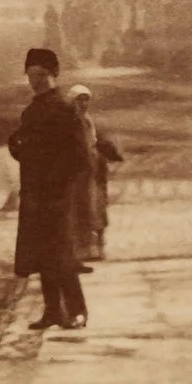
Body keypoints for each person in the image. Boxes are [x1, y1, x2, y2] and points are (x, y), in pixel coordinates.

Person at [9, 47, 91, 331]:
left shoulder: (65, 108)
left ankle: (78, 311)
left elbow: (79, 155)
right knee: (43, 256)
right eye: (32, 76)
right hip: (34, 193)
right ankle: (53, 311)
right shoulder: (31, 110)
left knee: (62, 254)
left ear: (55, 75)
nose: (37, 81)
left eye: (42, 75)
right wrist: (16, 146)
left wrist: (57, 185)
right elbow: (25, 149)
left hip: (57, 194)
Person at [67, 84, 122, 264]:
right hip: (75, 174)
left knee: (97, 209)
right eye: (79, 99)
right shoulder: (67, 123)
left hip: (94, 173)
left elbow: (100, 142)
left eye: (86, 99)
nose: (83, 103)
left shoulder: (90, 122)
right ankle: (80, 250)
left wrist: (111, 155)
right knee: (78, 211)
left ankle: (97, 248)